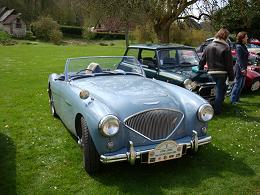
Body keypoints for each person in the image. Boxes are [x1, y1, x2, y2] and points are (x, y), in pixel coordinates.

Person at [199, 28, 234, 115]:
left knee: (211, 91)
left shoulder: (208, 46)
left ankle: (208, 108)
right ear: (225, 36)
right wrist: (231, 78)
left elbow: (202, 60)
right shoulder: (226, 47)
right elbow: (229, 64)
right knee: (220, 92)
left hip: (210, 72)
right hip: (222, 73)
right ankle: (217, 111)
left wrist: (200, 70)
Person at [230, 32, 249, 105]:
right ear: (242, 38)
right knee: (237, 84)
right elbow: (239, 59)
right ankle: (233, 100)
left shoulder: (243, 46)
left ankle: (237, 99)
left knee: (241, 85)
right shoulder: (238, 47)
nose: (247, 38)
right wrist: (242, 69)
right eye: (246, 37)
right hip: (239, 68)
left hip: (244, 67)